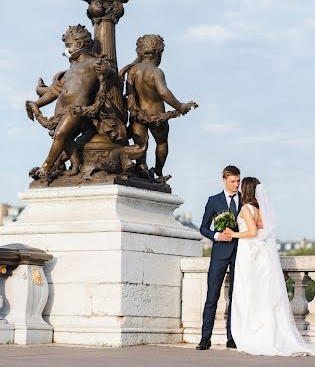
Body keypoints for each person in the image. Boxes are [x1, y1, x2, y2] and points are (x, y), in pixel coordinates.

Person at [225, 177, 315, 356]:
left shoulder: (246, 208)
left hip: (248, 254)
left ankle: (252, 333)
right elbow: (261, 230)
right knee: (262, 295)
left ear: (245, 189)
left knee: (248, 293)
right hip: (260, 255)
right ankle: (269, 333)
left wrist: (233, 233)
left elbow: (252, 232)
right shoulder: (260, 210)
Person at [25, 24, 126, 180]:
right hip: (61, 108)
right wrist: (37, 104)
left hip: (77, 109)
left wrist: (108, 70)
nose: (66, 50)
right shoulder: (71, 68)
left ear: (79, 45)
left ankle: (45, 167)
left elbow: (114, 78)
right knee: (63, 137)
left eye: (68, 45)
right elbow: (54, 92)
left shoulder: (94, 63)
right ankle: (75, 165)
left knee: (60, 134)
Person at [121, 34, 196, 181]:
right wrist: (179, 106)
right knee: (161, 142)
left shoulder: (133, 70)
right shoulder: (156, 71)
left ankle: (142, 166)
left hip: (137, 114)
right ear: (159, 53)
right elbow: (163, 92)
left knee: (140, 144)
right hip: (156, 115)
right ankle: (158, 171)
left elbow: (129, 93)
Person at [197, 165, 242, 350]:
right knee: (212, 297)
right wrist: (216, 235)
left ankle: (232, 337)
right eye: (232, 181)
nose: (236, 185)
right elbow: (203, 228)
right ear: (224, 180)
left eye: (238, 181)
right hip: (219, 254)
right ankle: (205, 338)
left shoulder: (245, 200)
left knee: (236, 297)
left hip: (240, 253)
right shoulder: (213, 200)